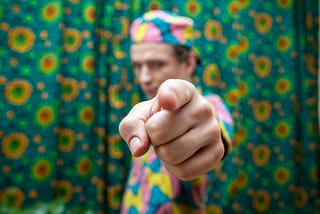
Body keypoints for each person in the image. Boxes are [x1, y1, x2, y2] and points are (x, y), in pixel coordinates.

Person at [118, 10, 233, 213]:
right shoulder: (142, 113)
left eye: (157, 64)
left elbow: (213, 127)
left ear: (188, 63)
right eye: (137, 66)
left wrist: (209, 135)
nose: (144, 78)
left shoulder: (211, 105)